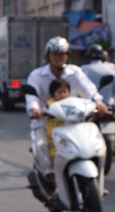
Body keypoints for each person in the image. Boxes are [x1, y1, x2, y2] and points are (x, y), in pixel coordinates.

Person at [25, 36, 107, 181]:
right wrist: (35, 111)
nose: (58, 58)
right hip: (46, 123)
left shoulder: (75, 72)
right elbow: (32, 101)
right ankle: (53, 180)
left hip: (75, 122)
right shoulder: (37, 75)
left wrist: (98, 102)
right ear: (48, 56)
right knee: (41, 146)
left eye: (62, 54)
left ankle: (97, 180)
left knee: (97, 144)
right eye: (55, 54)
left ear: (67, 56)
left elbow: (89, 90)